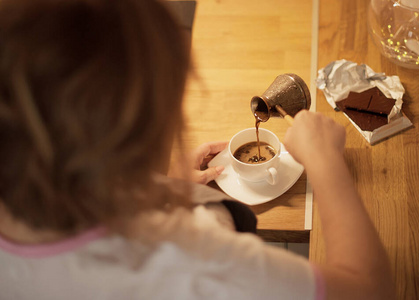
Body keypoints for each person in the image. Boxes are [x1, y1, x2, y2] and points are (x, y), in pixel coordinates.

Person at [0, 0, 395, 299]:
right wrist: (327, 164)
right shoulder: (195, 261)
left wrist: (157, 184)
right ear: (137, 139)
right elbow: (369, 287)